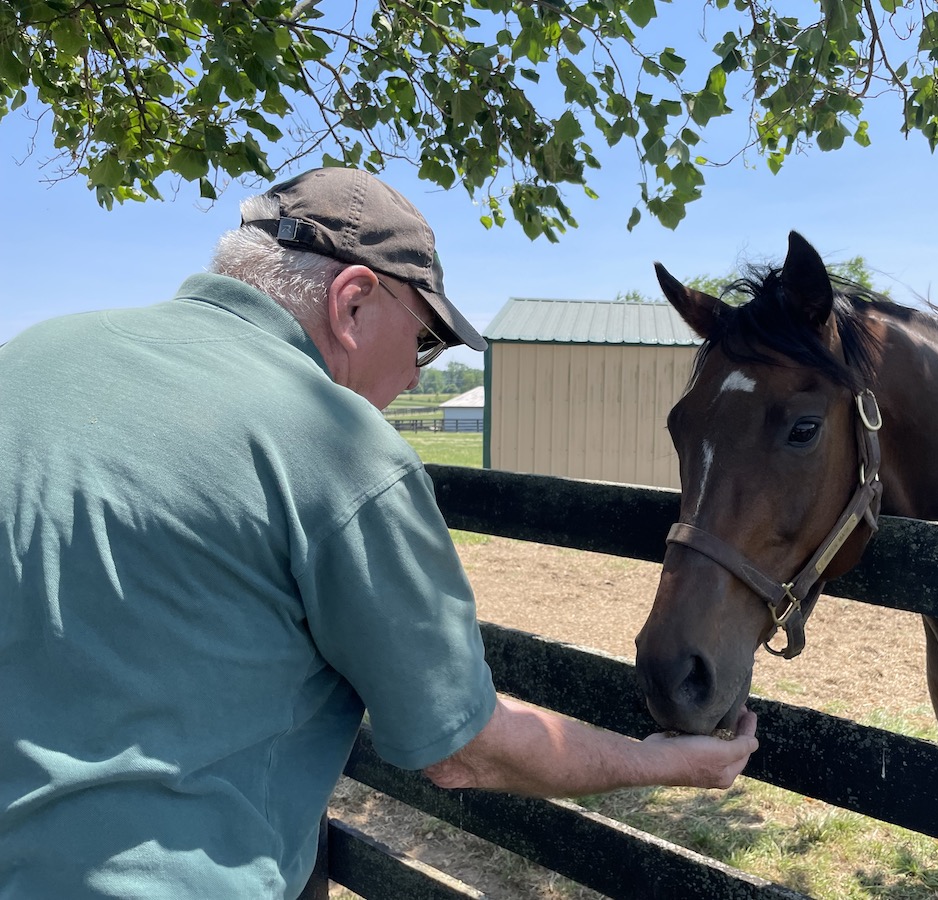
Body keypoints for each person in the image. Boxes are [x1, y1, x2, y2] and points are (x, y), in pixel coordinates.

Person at [0, 166, 758, 899]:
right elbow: (465, 748)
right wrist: (665, 764)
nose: (422, 376)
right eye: (425, 338)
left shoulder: (30, 359)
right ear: (353, 302)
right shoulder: (335, 446)